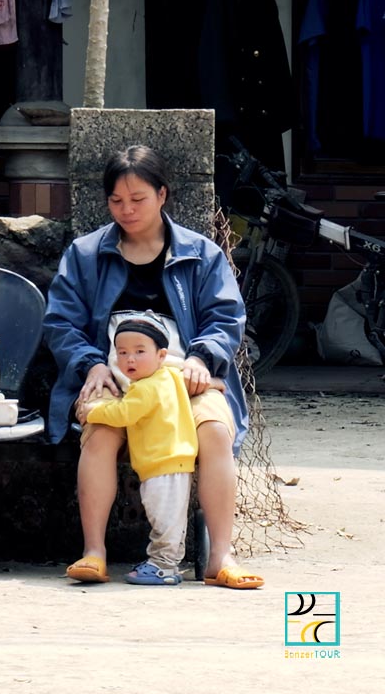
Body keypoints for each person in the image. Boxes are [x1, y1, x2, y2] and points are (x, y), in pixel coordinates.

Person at [43, 144, 264, 590]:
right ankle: (93, 552)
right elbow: (60, 321)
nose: (126, 210)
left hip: (185, 375)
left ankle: (220, 556)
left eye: (138, 199)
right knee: (101, 431)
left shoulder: (201, 253)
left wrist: (203, 358)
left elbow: (226, 318)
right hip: (111, 373)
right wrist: (89, 365)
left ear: (162, 195)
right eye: (116, 201)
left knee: (214, 431)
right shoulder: (86, 255)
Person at [84, 317, 198, 585]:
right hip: (172, 461)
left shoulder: (146, 388)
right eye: (122, 353)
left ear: (161, 355)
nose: (130, 360)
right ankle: (162, 562)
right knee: (169, 516)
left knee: (164, 518)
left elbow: (124, 413)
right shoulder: (168, 375)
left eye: (139, 352)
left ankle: (164, 567)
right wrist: (215, 383)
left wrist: (93, 411)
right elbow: (185, 379)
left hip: (163, 463)